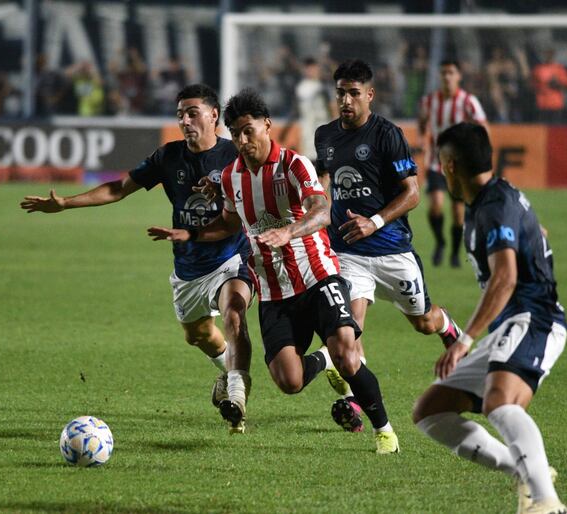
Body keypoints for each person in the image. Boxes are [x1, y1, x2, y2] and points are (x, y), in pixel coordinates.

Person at [149, 88, 397, 454]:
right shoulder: (232, 176)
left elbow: (322, 210)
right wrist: (192, 233)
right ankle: (323, 358)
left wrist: (289, 231)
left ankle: (385, 432)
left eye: (249, 130)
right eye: (236, 134)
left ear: (267, 125)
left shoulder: (295, 165)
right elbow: (230, 223)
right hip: (274, 291)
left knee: (348, 353)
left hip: (317, 276)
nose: (243, 140)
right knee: (289, 381)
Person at [20, 84, 255, 433]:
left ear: (214, 115)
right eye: (180, 115)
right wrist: (67, 203)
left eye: (193, 113)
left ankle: (237, 395)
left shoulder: (235, 156)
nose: (185, 120)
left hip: (231, 257)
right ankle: (228, 371)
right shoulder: (169, 156)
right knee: (199, 335)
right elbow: (119, 188)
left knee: (234, 313)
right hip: (188, 266)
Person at [413, 122, 567, 514]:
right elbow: (536, 230)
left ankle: (547, 504)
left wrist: (464, 341)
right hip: (511, 323)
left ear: (448, 166)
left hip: (535, 318)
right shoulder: (491, 199)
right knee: (431, 411)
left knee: (500, 403)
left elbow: (506, 276)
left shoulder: (493, 205)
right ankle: (524, 471)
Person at [314, 59, 462, 446]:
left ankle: (449, 328)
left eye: (353, 93)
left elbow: (412, 193)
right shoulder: (325, 136)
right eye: (341, 92)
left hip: (392, 250)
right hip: (346, 251)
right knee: (348, 333)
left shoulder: (388, 134)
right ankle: (356, 402)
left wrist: (374, 222)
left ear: (370, 95)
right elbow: (323, 184)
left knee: (424, 322)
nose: (345, 100)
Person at [418, 59, 488, 268]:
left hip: (460, 167)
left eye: (451, 72)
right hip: (436, 163)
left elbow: (482, 126)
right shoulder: (429, 101)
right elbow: (422, 123)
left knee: (458, 214)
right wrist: (423, 139)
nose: (447, 77)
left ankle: (455, 253)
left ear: (459, 76)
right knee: (435, 206)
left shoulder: (468, 101)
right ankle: (440, 242)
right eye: (443, 73)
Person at [531, 49, 567, 124]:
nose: (548, 56)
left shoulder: (559, 69)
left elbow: (566, 85)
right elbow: (532, 84)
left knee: (556, 129)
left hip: (556, 104)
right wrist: (539, 87)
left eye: (550, 54)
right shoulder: (538, 69)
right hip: (542, 104)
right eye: (546, 54)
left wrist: (556, 83)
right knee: (541, 128)